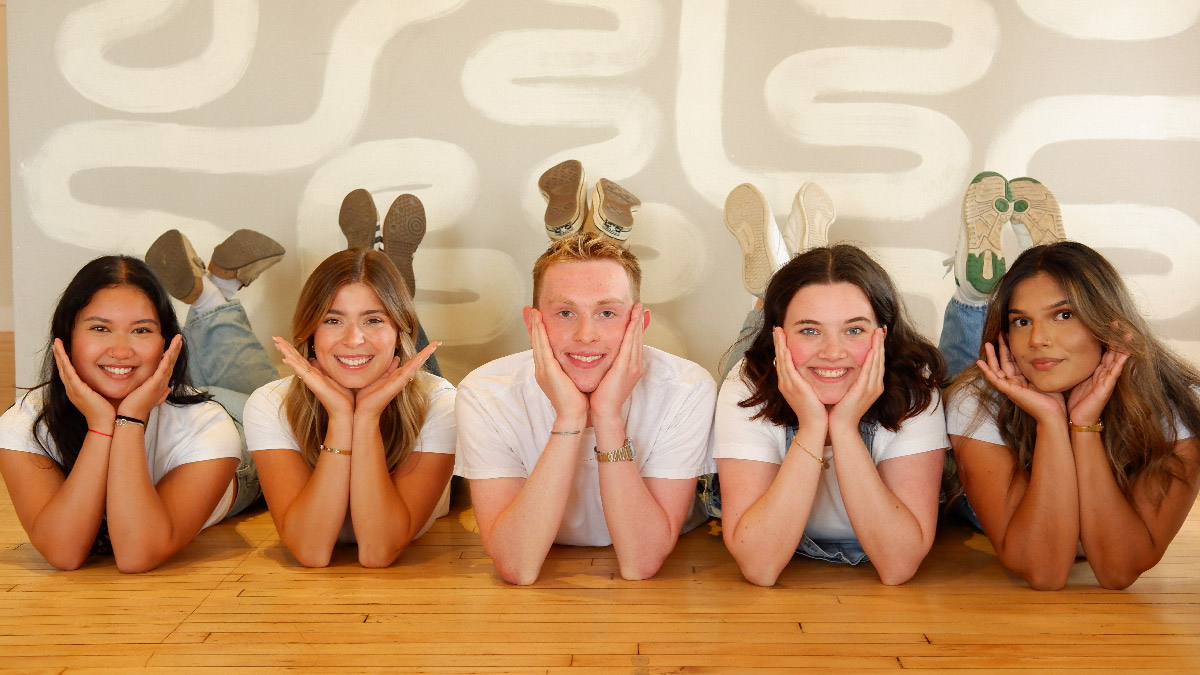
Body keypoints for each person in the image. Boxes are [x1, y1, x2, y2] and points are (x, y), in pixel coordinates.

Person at [0, 229, 283, 572]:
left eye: (142, 330)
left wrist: (129, 420)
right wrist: (102, 426)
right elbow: (64, 552)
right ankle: (214, 295)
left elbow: (137, 554)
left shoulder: (208, 425)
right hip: (172, 398)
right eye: (100, 328)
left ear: (168, 344)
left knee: (276, 404)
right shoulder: (25, 422)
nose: (120, 350)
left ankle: (216, 296)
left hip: (233, 427)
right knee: (231, 381)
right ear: (65, 337)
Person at [454, 232, 716, 585]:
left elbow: (640, 561)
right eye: (565, 312)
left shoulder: (686, 388)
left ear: (638, 323)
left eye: (607, 312)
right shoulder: (484, 392)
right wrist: (570, 419)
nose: (586, 335)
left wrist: (607, 417)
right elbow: (516, 564)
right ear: (534, 323)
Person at [946, 241, 1200, 590]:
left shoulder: (1178, 404)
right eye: (1021, 321)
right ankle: (972, 297)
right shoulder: (975, 402)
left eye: (1064, 315)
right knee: (953, 372)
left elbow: (1118, 571)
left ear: (1107, 324)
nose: (1037, 339)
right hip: (974, 505)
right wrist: (1051, 421)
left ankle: (983, 290)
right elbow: (1044, 571)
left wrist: (1082, 427)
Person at [713, 244, 949, 586]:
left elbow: (899, 565)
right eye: (809, 330)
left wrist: (844, 426)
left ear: (882, 335)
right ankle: (765, 297)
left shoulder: (916, 386)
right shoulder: (745, 383)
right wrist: (810, 426)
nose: (833, 352)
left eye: (854, 330)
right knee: (744, 355)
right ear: (780, 336)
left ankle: (789, 264)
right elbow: (759, 566)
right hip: (769, 368)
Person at [243, 247, 455, 568]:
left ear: (398, 332)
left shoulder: (441, 402)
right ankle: (377, 260)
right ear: (311, 333)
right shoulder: (270, 403)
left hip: (407, 383)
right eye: (332, 319)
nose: (354, 338)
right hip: (367, 364)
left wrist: (367, 417)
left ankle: (380, 264)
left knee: (418, 374)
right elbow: (310, 551)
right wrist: (342, 418)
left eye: (373, 319)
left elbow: (378, 552)